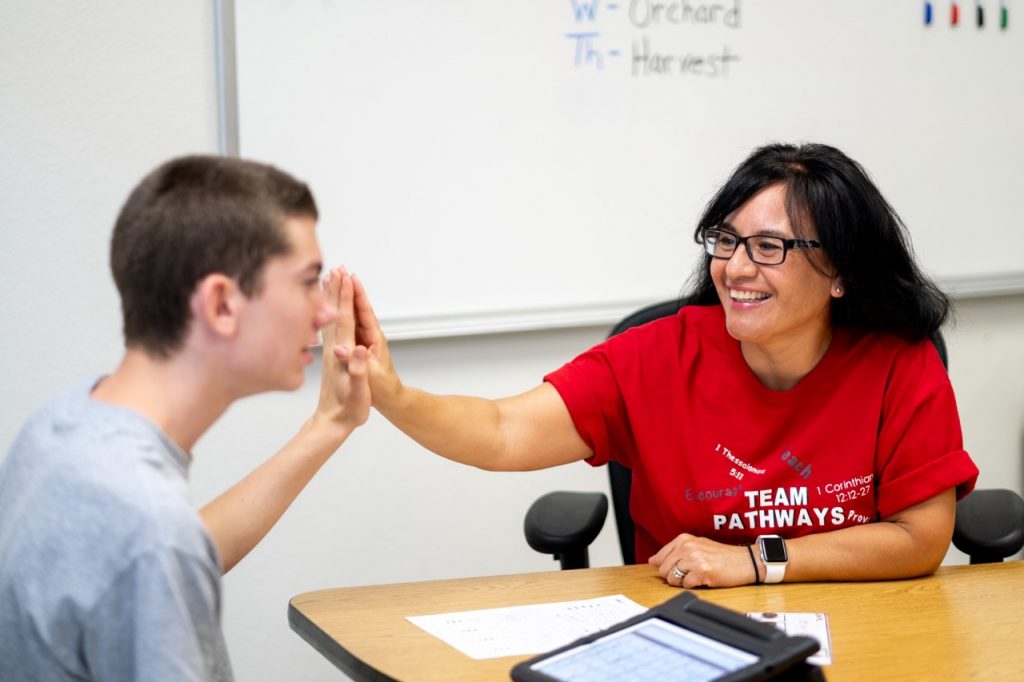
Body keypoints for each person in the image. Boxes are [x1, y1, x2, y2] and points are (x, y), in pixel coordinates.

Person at [344, 142, 978, 589]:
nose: (735, 268)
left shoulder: (898, 359)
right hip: (690, 629)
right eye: (726, 241)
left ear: (840, 270)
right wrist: (394, 396)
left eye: (768, 247)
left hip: (866, 627)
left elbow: (920, 539)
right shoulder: (655, 356)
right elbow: (501, 430)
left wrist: (759, 562)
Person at [0, 156, 370, 681]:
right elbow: (158, 547)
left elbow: (168, 551)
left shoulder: (62, 426)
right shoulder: (149, 529)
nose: (326, 311)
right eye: (308, 282)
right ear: (221, 303)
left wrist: (331, 423)